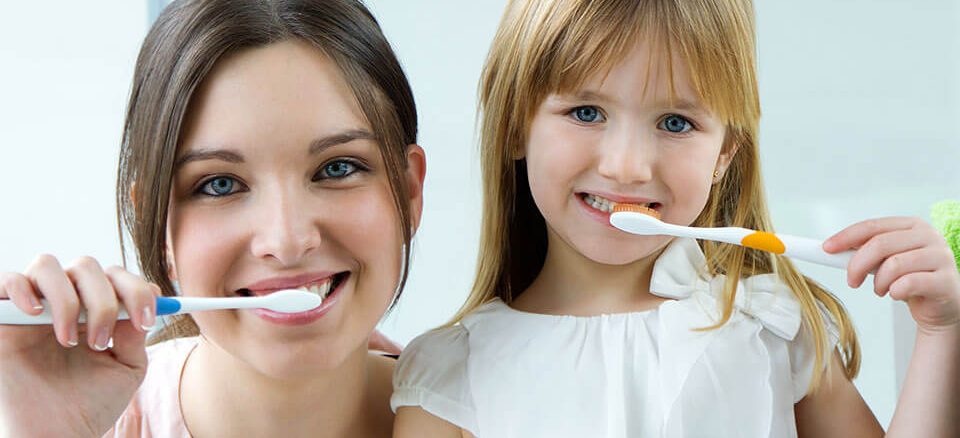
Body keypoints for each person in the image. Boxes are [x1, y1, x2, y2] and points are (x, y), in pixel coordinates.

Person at [391, 0, 960, 436]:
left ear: (725, 156)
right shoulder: (448, 375)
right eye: (586, 112)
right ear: (516, 123)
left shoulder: (772, 327)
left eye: (675, 123)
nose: (627, 168)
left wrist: (941, 330)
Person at [0, 0, 424, 436]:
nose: (287, 240)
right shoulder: (90, 425)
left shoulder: (483, 415)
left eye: (338, 168)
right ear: (154, 222)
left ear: (409, 191)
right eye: (220, 184)